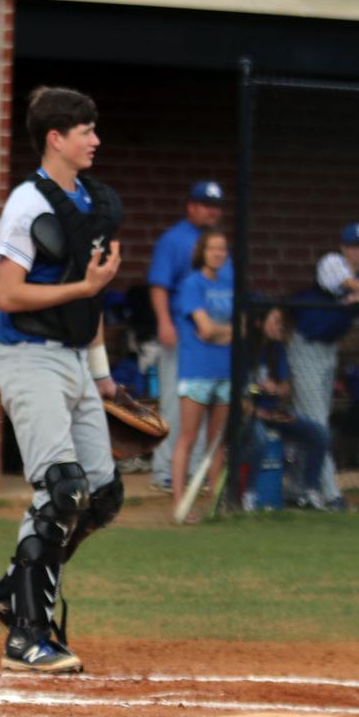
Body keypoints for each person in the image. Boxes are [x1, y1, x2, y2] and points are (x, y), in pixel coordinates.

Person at [0, 85, 124, 675]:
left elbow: (93, 301)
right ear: (55, 138)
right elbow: (7, 294)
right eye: (85, 131)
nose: (95, 140)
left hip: (77, 360)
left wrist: (103, 377)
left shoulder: (91, 202)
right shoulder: (27, 203)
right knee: (61, 489)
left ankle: (14, 589)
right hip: (28, 357)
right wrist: (83, 288)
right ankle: (26, 637)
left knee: (101, 494)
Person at [289, 222, 359, 506]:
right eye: (356, 246)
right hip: (306, 345)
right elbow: (353, 286)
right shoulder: (332, 262)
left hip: (330, 348)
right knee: (316, 422)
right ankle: (330, 494)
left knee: (315, 421)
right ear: (344, 247)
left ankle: (303, 488)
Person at [146, 180, 225, 491]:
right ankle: (165, 471)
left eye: (216, 206)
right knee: (174, 403)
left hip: (212, 341)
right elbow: (159, 285)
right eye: (206, 205)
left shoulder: (217, 244)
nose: (212, 211)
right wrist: (164, 321)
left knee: (206, 403)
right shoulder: (174, 239)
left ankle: (195, 473)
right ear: (191, 207)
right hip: (181, 332)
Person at [170, 230, 233, 521]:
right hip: (197, 370)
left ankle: (213, 504)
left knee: (217, 441)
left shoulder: (230, 283)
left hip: (225, 370)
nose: (218, 254)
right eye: (212, 249)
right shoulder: (191, 284)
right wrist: (225, 332)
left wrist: (220, 332)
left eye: (222, 249)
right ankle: (180, 503)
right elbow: (204, 330)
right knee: (188, 436)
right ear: (202, 252)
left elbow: (241, 327)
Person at [243, 305, 331, 507]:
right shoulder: (244, 352)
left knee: (320, 434)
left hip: (274, 413)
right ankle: (249, 493)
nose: (280, 326)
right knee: (260, 438)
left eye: (281, 322)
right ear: (259, 323)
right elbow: (241, 397)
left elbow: (286, 389)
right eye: (275, 321)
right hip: (250, 414)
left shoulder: (277, 349)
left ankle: (308, 491)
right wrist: (259, 392)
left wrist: (277, 389)